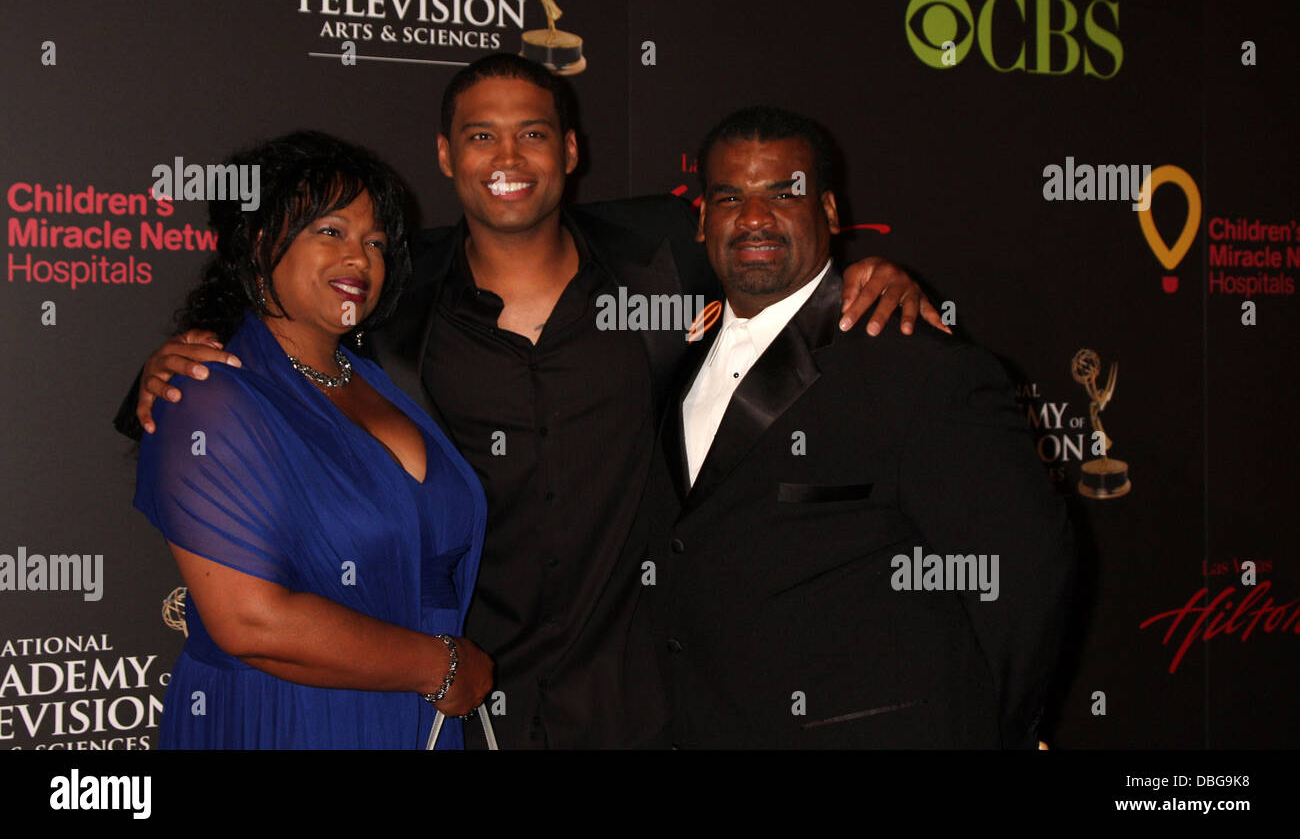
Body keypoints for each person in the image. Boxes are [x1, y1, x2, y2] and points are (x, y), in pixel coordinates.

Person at [117, 55, 943, 748]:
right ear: (446, 155)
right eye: (481, 135)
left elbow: (779, 257)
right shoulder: (390, 296)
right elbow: (268, 350)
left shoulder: (669, 253)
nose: (506, 155)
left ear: (570, 149)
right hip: (471, 702)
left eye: (532, 133)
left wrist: (869, 278)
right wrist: (158, 372)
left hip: (645, 693)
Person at [639, 106, 1074, 748]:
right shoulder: (674, 363)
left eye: (784, 193)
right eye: (730, 196)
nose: (754, 216)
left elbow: (1023, 577)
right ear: (703, 219)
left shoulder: (918, 367)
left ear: (833, 213)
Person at [133, 131, 492, 748]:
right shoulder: (206, 392)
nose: (360, 258)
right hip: (287, 718)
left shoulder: (384, 379)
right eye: (331, 231)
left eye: (375, 242)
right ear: (258, 240)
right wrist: (441, 666)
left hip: (418, 718)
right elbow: (250, 621)